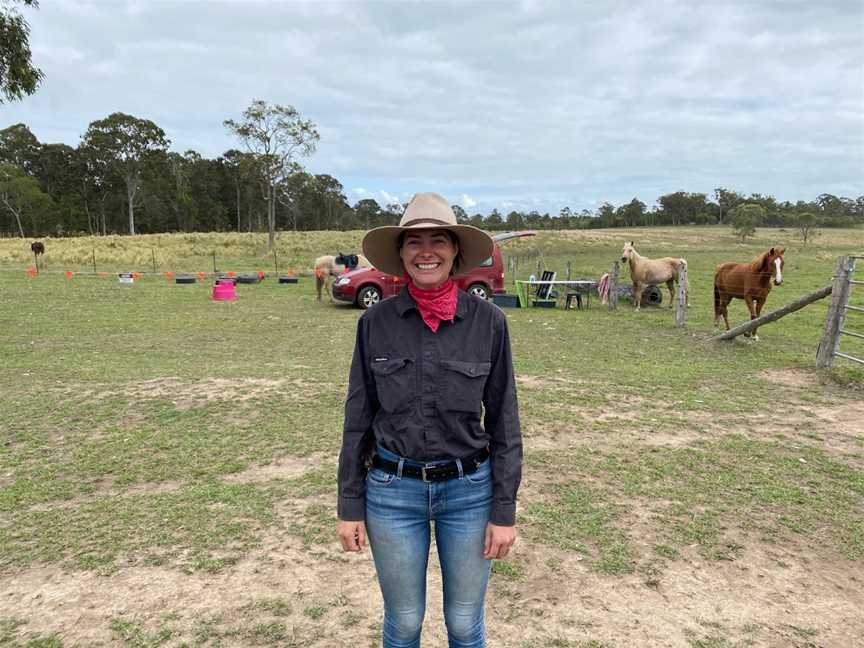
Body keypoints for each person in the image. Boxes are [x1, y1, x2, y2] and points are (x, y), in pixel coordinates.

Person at [337, 192, 523, 648]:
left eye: (438, 240)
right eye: (414, 242)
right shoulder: (374, 323)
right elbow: (358, 417)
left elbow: (505, 421)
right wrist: (349, 505)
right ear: (400, 254)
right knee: (403, 623)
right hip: (391, 494)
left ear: (455, 251)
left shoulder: (490, 323)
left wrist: (504, 509)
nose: (426, 251)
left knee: (464, 624)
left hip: (470, 493)